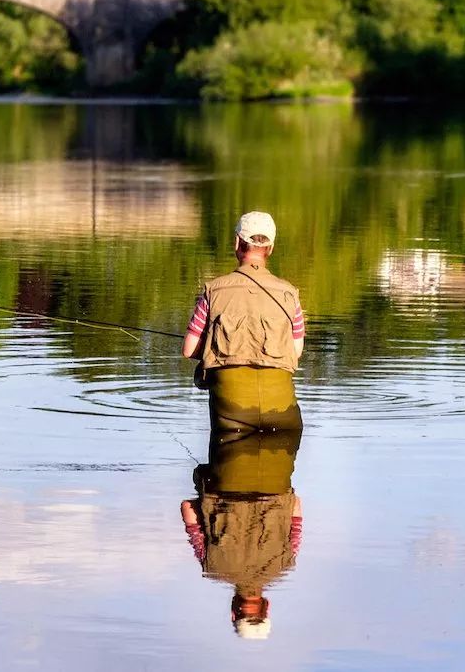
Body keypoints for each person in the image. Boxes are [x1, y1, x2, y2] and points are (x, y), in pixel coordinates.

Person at [182, 211, 305, 432]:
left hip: (231, 417)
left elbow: (189, 349)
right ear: (271, 248)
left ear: (237, 242)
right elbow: (295, 352)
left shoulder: (213, 291)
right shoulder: (290, 294)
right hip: (283, 416)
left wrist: (214, 346)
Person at [180, 429, 304, 640]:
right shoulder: (211, 565)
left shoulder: (286, 562)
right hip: (224, 474)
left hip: (274, 474)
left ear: (267, 606)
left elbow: (296, 506)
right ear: (232, 611)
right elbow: (187, 509)